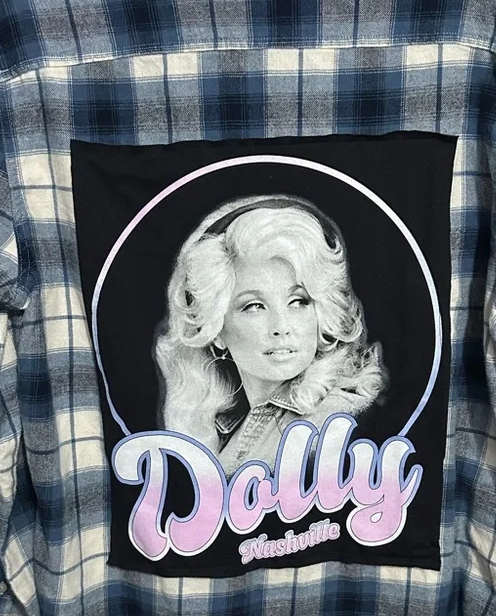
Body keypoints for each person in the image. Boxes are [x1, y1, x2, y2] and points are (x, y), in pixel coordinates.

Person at [153, 193, 387, 473]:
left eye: (298, 301)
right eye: (254, 306)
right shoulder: (221, 426)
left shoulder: (337, 420)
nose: (281, 327)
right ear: (215, 330)